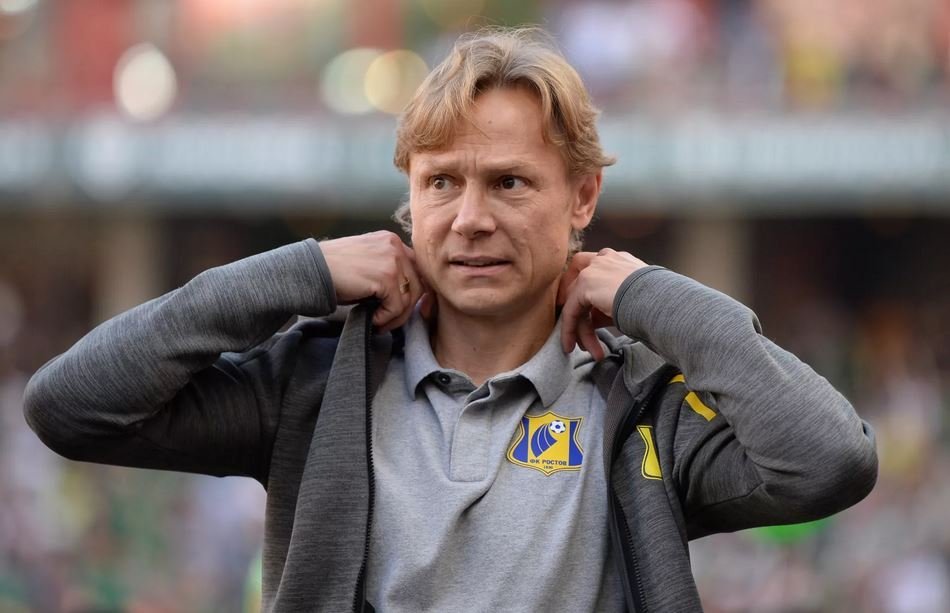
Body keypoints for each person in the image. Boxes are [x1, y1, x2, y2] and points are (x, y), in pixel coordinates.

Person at [24, 27, 877, 613]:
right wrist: (301, 272)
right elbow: (70, 405)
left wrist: (653, 296)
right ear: (410, 193)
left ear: (582, 197)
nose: (470, 219)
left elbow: (829, 460)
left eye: (509, 182)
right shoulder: (314, 384)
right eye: (441, 183)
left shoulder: (643, 405)